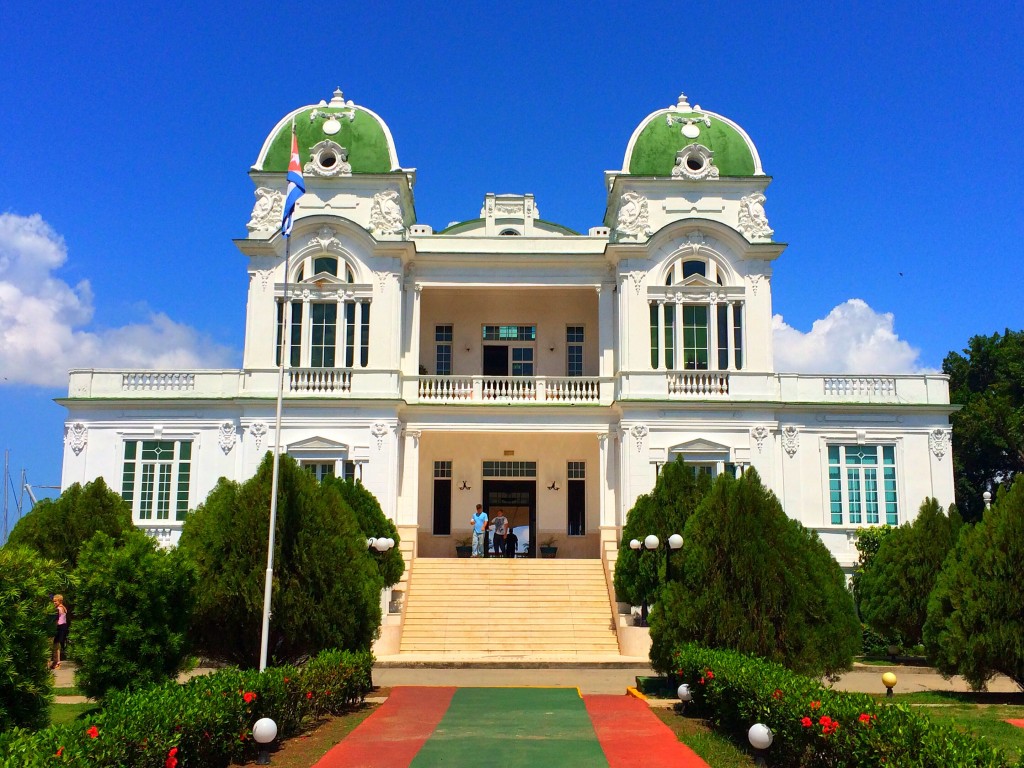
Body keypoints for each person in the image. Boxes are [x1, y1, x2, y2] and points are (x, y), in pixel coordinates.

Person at [51, 594, 68, 670]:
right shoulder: (64, 608)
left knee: (56, 645)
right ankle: (56, 662)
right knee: (57, 645)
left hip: (59, 627)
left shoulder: (58, 609)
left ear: (60, 601)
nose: (54, 602)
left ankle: (57, 662)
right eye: (53, 601)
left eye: (55, 601)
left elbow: (57, 620)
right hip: (63, 626)